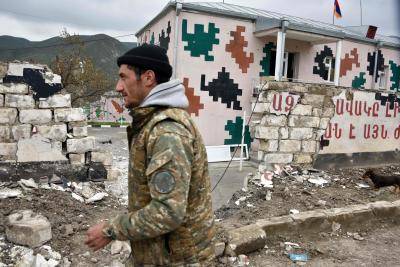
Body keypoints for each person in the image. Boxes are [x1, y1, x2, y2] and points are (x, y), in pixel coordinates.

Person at [85, 44, 216, 266]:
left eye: (123, 77)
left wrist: (109, 231)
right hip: (159, 253)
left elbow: (167, 211)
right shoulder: (150, 123)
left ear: (148, 78)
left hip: (178, 259)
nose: (118, 87)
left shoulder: (167, 131)